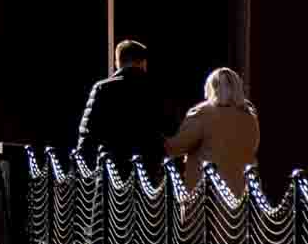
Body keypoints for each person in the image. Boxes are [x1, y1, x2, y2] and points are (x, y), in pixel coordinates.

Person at [77, 39, 167, 178]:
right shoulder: (155, 89)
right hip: (148, 166)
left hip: (112, 167)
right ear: (142, 62)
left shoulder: (103, 88)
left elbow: (89, 130)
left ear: (118, 62)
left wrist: (83, 162)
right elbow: (168, 126)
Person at [166, 66, 259, 198]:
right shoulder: (249, 117)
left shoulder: (202, 114)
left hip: (207, 195)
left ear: (211, 87)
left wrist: (156, 140)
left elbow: (178, 146)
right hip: (241, 193)